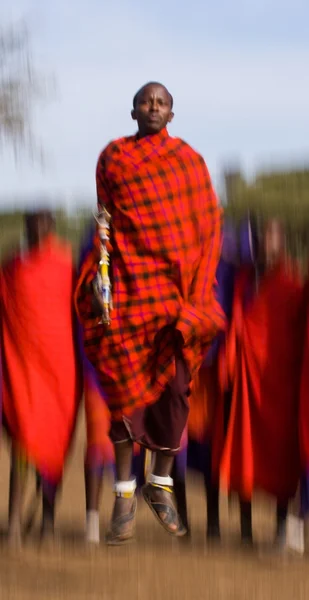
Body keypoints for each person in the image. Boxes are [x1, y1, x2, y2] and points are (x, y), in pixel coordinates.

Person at [75, 81, 224, 544]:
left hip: (176, 297)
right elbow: (105, 221)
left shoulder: (190, 163)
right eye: (146, 101)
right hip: (130, 291)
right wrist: (100, 279)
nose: (153, 107)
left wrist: (197, 292)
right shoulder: (113, 158)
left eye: (161, 102)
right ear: (133, 110)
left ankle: (158, 484)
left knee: (176, 392)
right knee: (123, 395)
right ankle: (123, 493)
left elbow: (207, 226)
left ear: (171, 115)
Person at [213, 218, 303, 546]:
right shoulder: (241, 283)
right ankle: (245, 530)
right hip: (244, 385)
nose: (265, 244)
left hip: (279, 388)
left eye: (272, 237)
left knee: (282, 459)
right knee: (242, 451)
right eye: (261, 238)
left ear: (282, 242)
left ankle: (282, 526)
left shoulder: (293, 286)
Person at [0, 210, 81, 548]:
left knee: (55, 446)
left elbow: (82, 314)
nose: (37, 225)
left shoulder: (67, 265)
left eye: (43, 219)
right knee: (25, 440)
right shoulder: (10, 268)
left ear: (52, 224)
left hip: (61, 370)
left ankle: (47, 521)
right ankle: (15, 522)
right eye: (32, 219)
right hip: (22, 368)